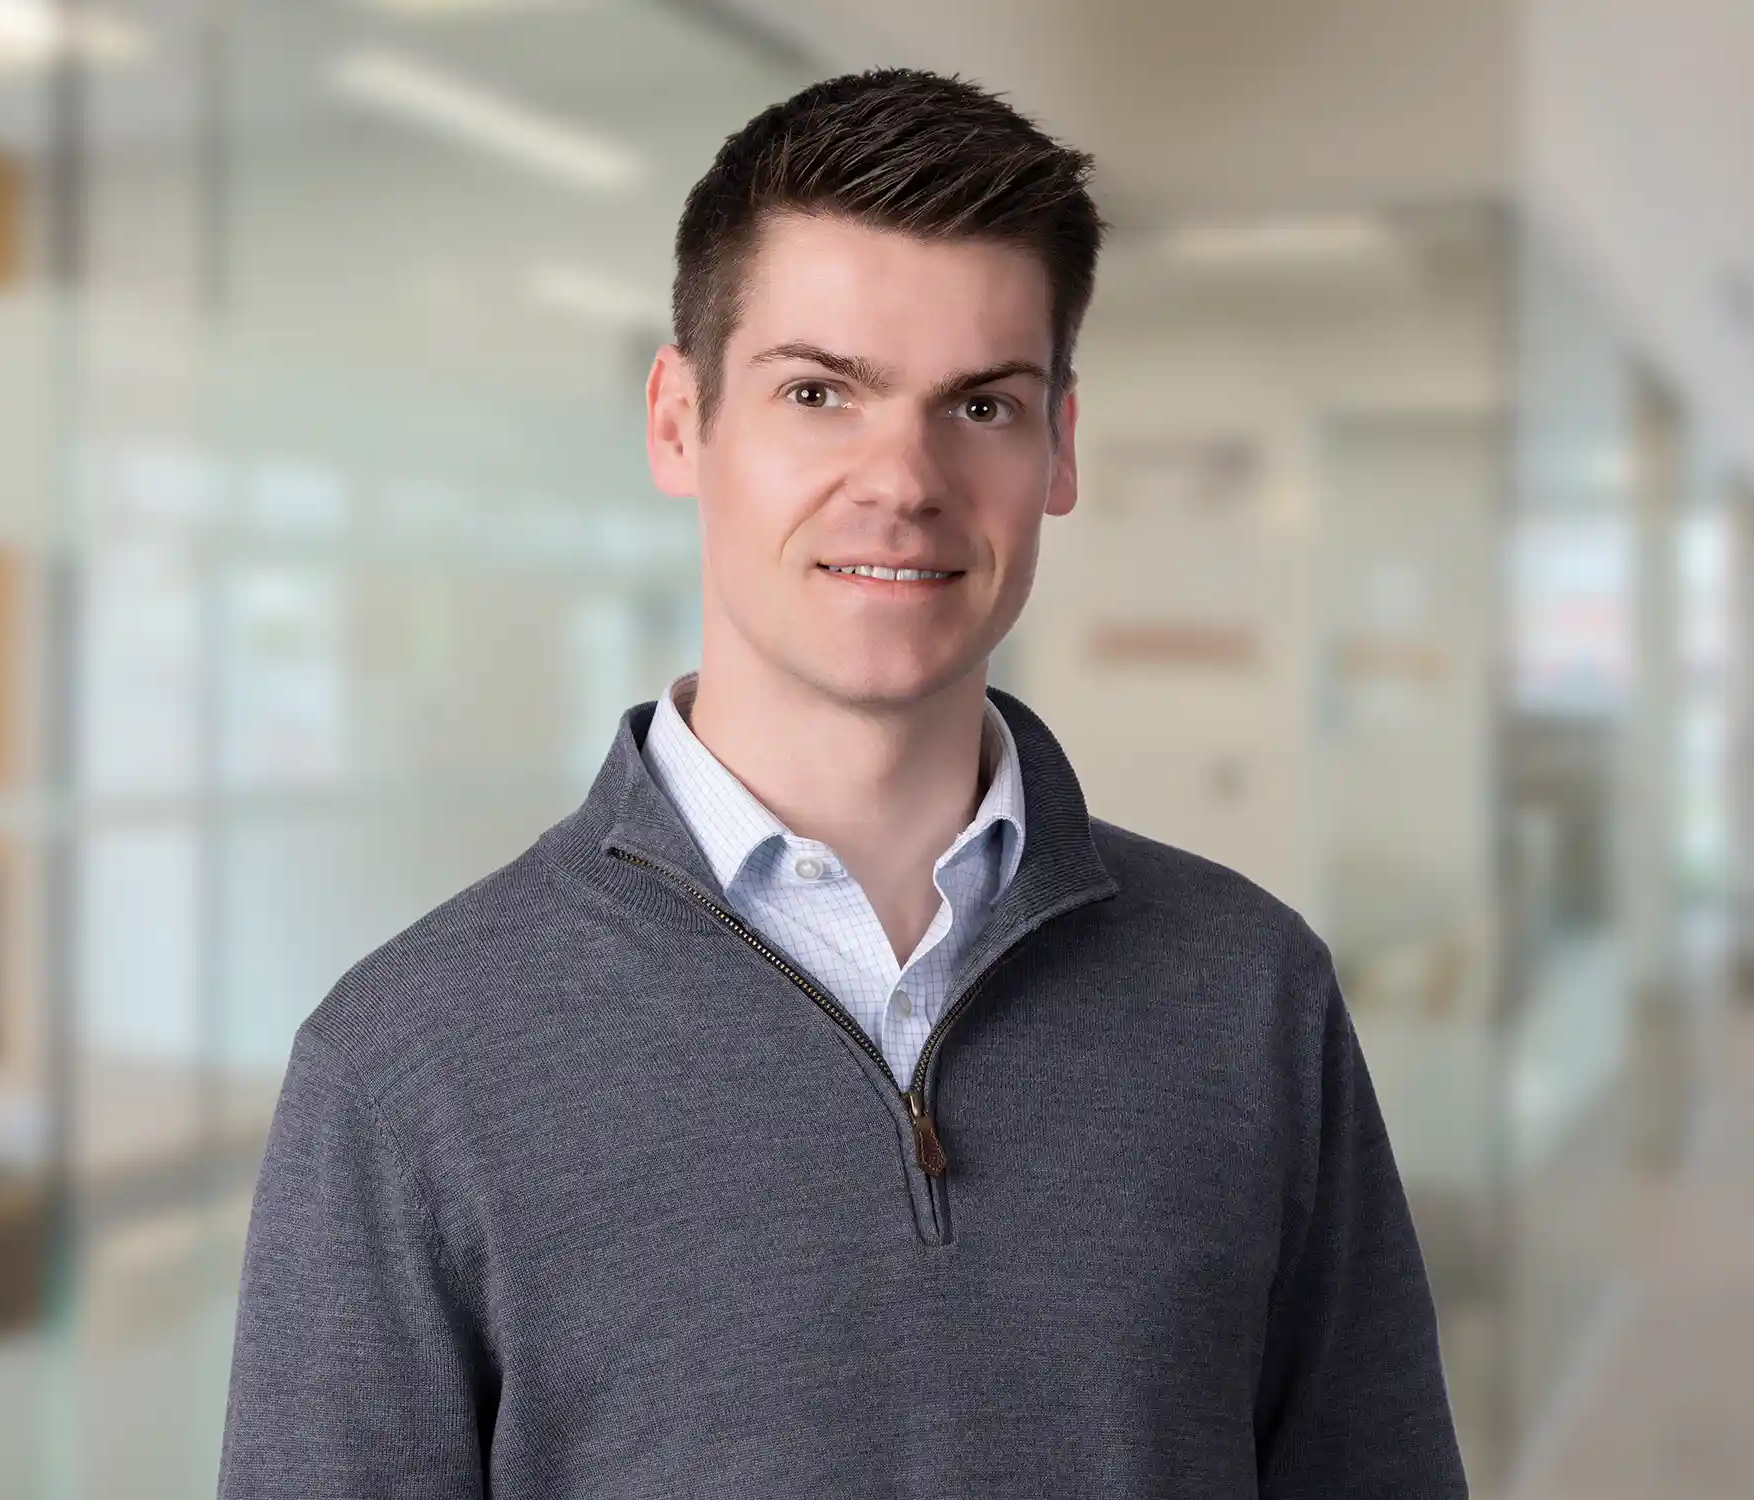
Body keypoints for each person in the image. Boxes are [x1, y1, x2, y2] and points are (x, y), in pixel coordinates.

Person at [218, 68, 1467, 1499]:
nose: (905, 479)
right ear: (679, 421)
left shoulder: (1252, 997)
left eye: (981, 406)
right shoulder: (404, 1067)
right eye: (820, 393)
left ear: (1059, 447)